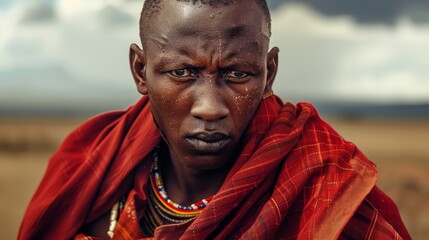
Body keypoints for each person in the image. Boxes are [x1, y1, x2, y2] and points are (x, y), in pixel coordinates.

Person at [19, 0, 411, 239]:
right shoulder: (88, 162)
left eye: (237, 74)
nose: (210, 107)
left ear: (269, 72)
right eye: (182, 72)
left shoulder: (327, 191)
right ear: (141, 70)